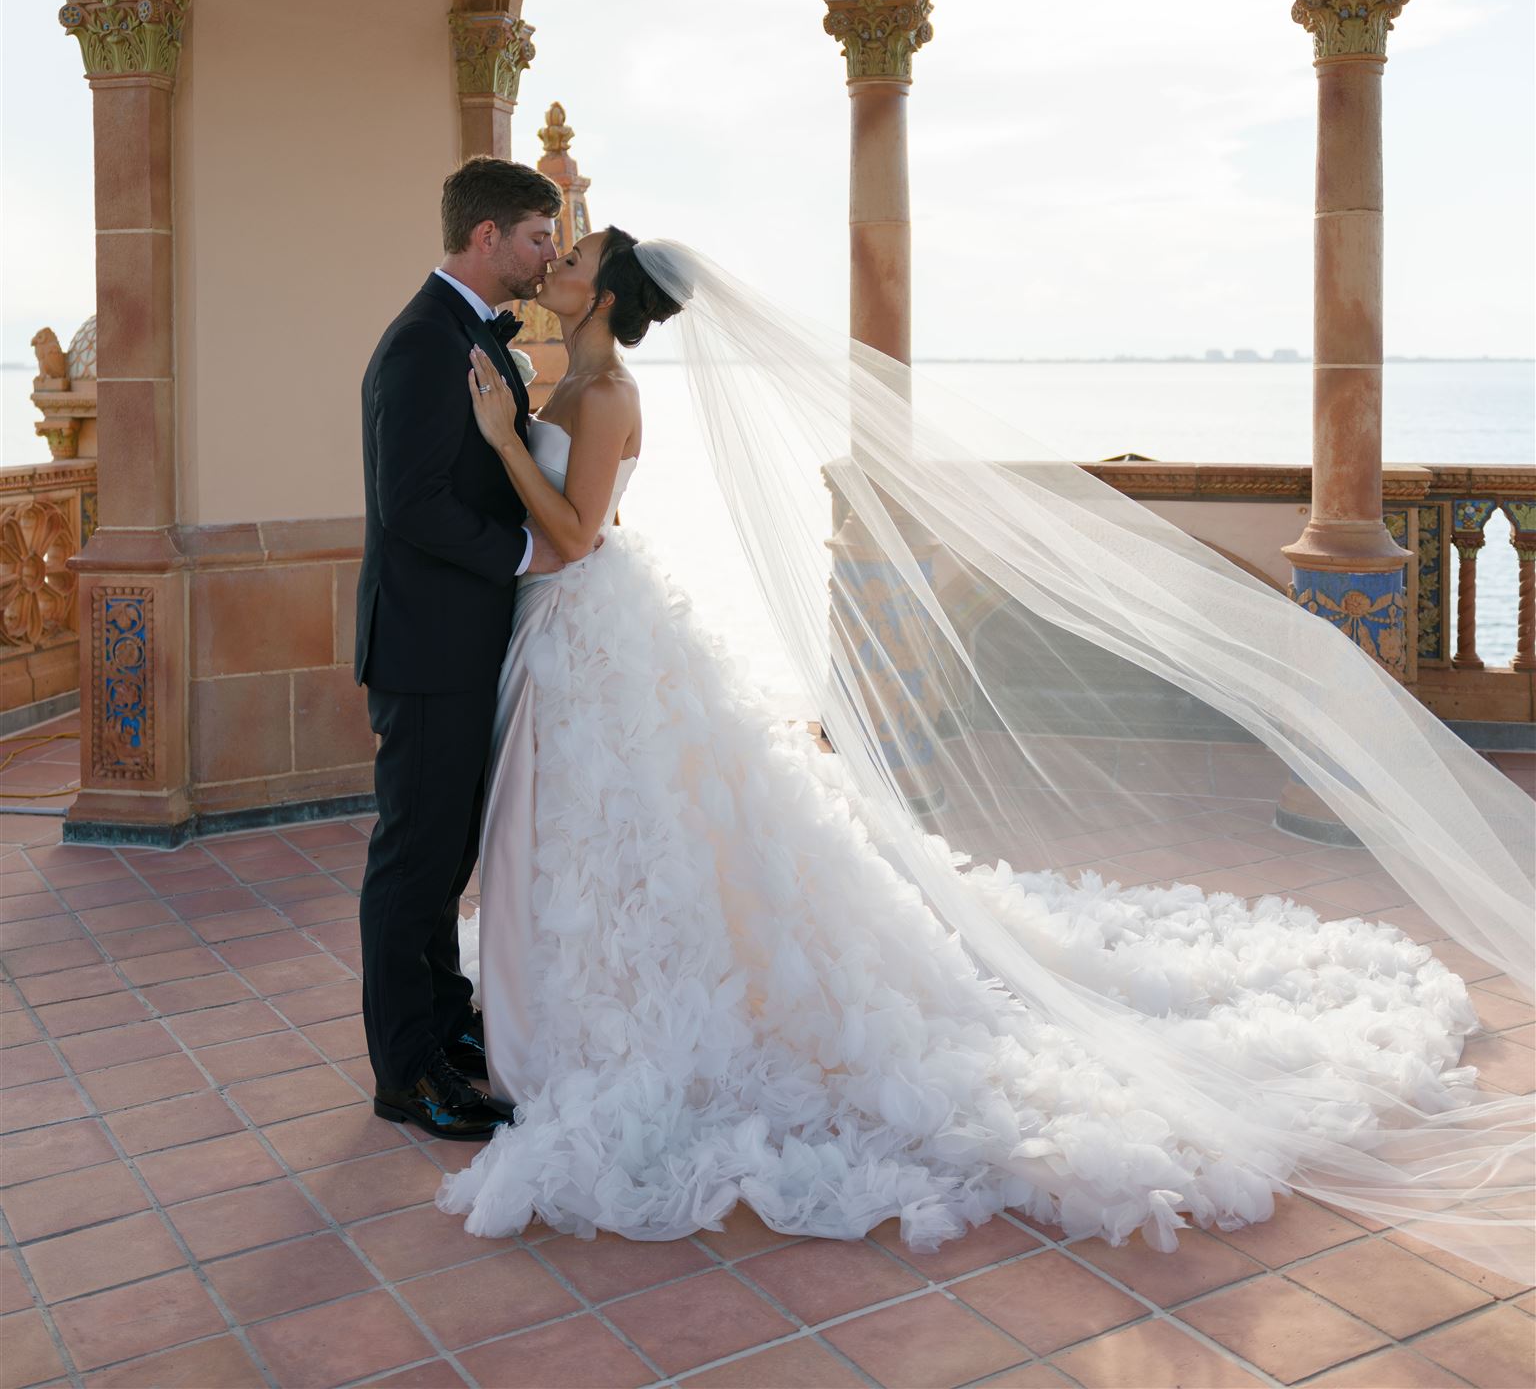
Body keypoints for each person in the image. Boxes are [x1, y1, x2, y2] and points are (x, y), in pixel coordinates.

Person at [437, 231, 1532, 1270]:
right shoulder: (571, 384)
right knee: (607, 836)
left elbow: (578, 534)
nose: (557, 259)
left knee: (618, 828)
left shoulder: (611, 391)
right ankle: (576, 995)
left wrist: (497, 440)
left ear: (611, 295)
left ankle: (598, 1012)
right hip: (576, 633)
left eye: (572, 256)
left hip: (586, 617)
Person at [356, 157, 577, 1139]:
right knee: (413, 860)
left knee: (443, 855)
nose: (549, 254)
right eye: (539, 236)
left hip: (462, 637)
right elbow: (412, 506)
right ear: (485, 236)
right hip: (427, 643)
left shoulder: (467, 332)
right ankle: (406, 1072)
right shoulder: (420, 344)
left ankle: (448, 1034)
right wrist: (527, 550)